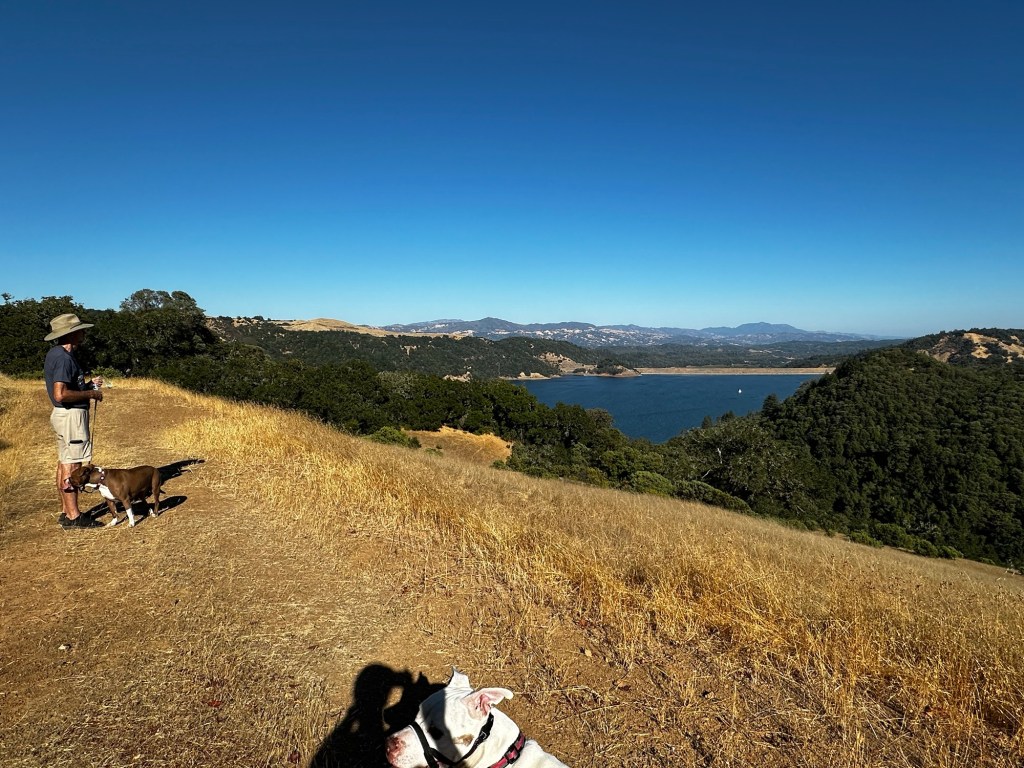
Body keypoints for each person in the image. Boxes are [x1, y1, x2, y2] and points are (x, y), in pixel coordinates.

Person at [44, 313, 105, 529]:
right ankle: (73, 517)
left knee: (64, 462)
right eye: (80, 329)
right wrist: (91, 394)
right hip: (71, 417)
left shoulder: (56, 354)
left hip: (64, 416)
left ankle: (66, 511)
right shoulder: (63, 358)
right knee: (73, 466)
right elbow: (60, 394)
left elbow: (67, 388)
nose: (84, 332)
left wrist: (87, 385)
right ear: (72, 333)